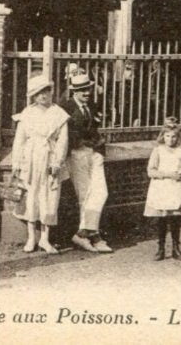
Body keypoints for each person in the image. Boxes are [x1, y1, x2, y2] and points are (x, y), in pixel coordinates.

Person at [11, 73, 70, 254]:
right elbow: (19, 141)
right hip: (31, 160)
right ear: (34, 96)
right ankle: (31, 238)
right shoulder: (27, 114)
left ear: (51, 92)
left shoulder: (58, 114)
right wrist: (17, 164)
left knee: (50, 198)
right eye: (39, 93)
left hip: (50, 159)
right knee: (31, 196)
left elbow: (62, 141)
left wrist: (57, 162)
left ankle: (45, 238)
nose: (43, 96)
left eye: (46, 91)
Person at [60, 72, 112, 253]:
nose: (86, 93)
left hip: (94, 154)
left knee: (100, 192)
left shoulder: (92, 105)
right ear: (74, 91)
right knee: (84, 195)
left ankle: (83, 234)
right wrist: (79, 143)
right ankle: (94, 235)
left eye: (88, 89)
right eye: (82, 90)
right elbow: (64, 135)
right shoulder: (65, 108)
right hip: (76, 155)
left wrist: (99, 144)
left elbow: (95, 129)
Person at [144, 117, 181, 261]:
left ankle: (176, 248)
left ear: (178, 137)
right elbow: (151, 171)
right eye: (167, 136)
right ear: (163, 136)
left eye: (173, 136)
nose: (170, 139)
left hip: (177, 189)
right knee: (162, 220)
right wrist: (168, 174)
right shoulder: (158, 150)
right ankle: (160, 249)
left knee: (175, 219)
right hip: (162, 188)